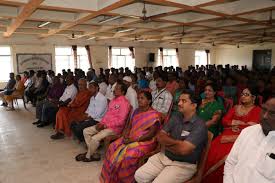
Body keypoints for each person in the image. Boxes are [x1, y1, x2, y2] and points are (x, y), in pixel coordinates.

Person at [135, 90, 208, 183]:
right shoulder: (176, 116)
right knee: (139, 176)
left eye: (184, 101)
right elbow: (160, 136)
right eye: (179, 100)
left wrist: (168, 143)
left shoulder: (200, 125)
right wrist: (177, 143)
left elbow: (184, 150)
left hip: (183, 165)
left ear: (194, 105)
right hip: (164, 157)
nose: (179, 103)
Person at [202, 87, 262, 183]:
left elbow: (254, 126)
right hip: (227, 134)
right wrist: (234, 122)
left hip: (243, 138)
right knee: (212, 149)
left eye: (247, 94)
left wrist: (238, 124)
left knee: (226, 155)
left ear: (253, 97)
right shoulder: (235, 107)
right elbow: (224, 120)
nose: (243, 96)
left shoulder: (257, 110)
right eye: (242, 94)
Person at [100, 91, 161, 183]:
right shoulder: (136, 111)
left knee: (129, 155)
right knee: (112, 146)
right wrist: (126, 134)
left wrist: (134, 140)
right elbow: (129, 125)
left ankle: (127, 179)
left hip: (146, 141)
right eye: (138, 98)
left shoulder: (154, 115)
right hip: (132, 136)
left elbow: (151, 134)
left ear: (149, 101)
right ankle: (112, 176)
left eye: (142, 98)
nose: (139, 100)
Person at [75, 82, 131, 162]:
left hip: (114, 129)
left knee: (94, 138)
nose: (114, 90)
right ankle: (93, 153)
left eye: (117, 88)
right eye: (115, 88)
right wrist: (101, 123)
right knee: (86, 131)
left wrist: (105, 125)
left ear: (123, 92)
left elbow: (121, 121)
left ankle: (88, 156)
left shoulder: (125, 103)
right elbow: (107, 115)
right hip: (105, 125)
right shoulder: (113, 101)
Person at [223, 98, 275, 183]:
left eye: (273, 113)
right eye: (264, 110)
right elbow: (230, 163)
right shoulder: (248, 131)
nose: (265, 116)